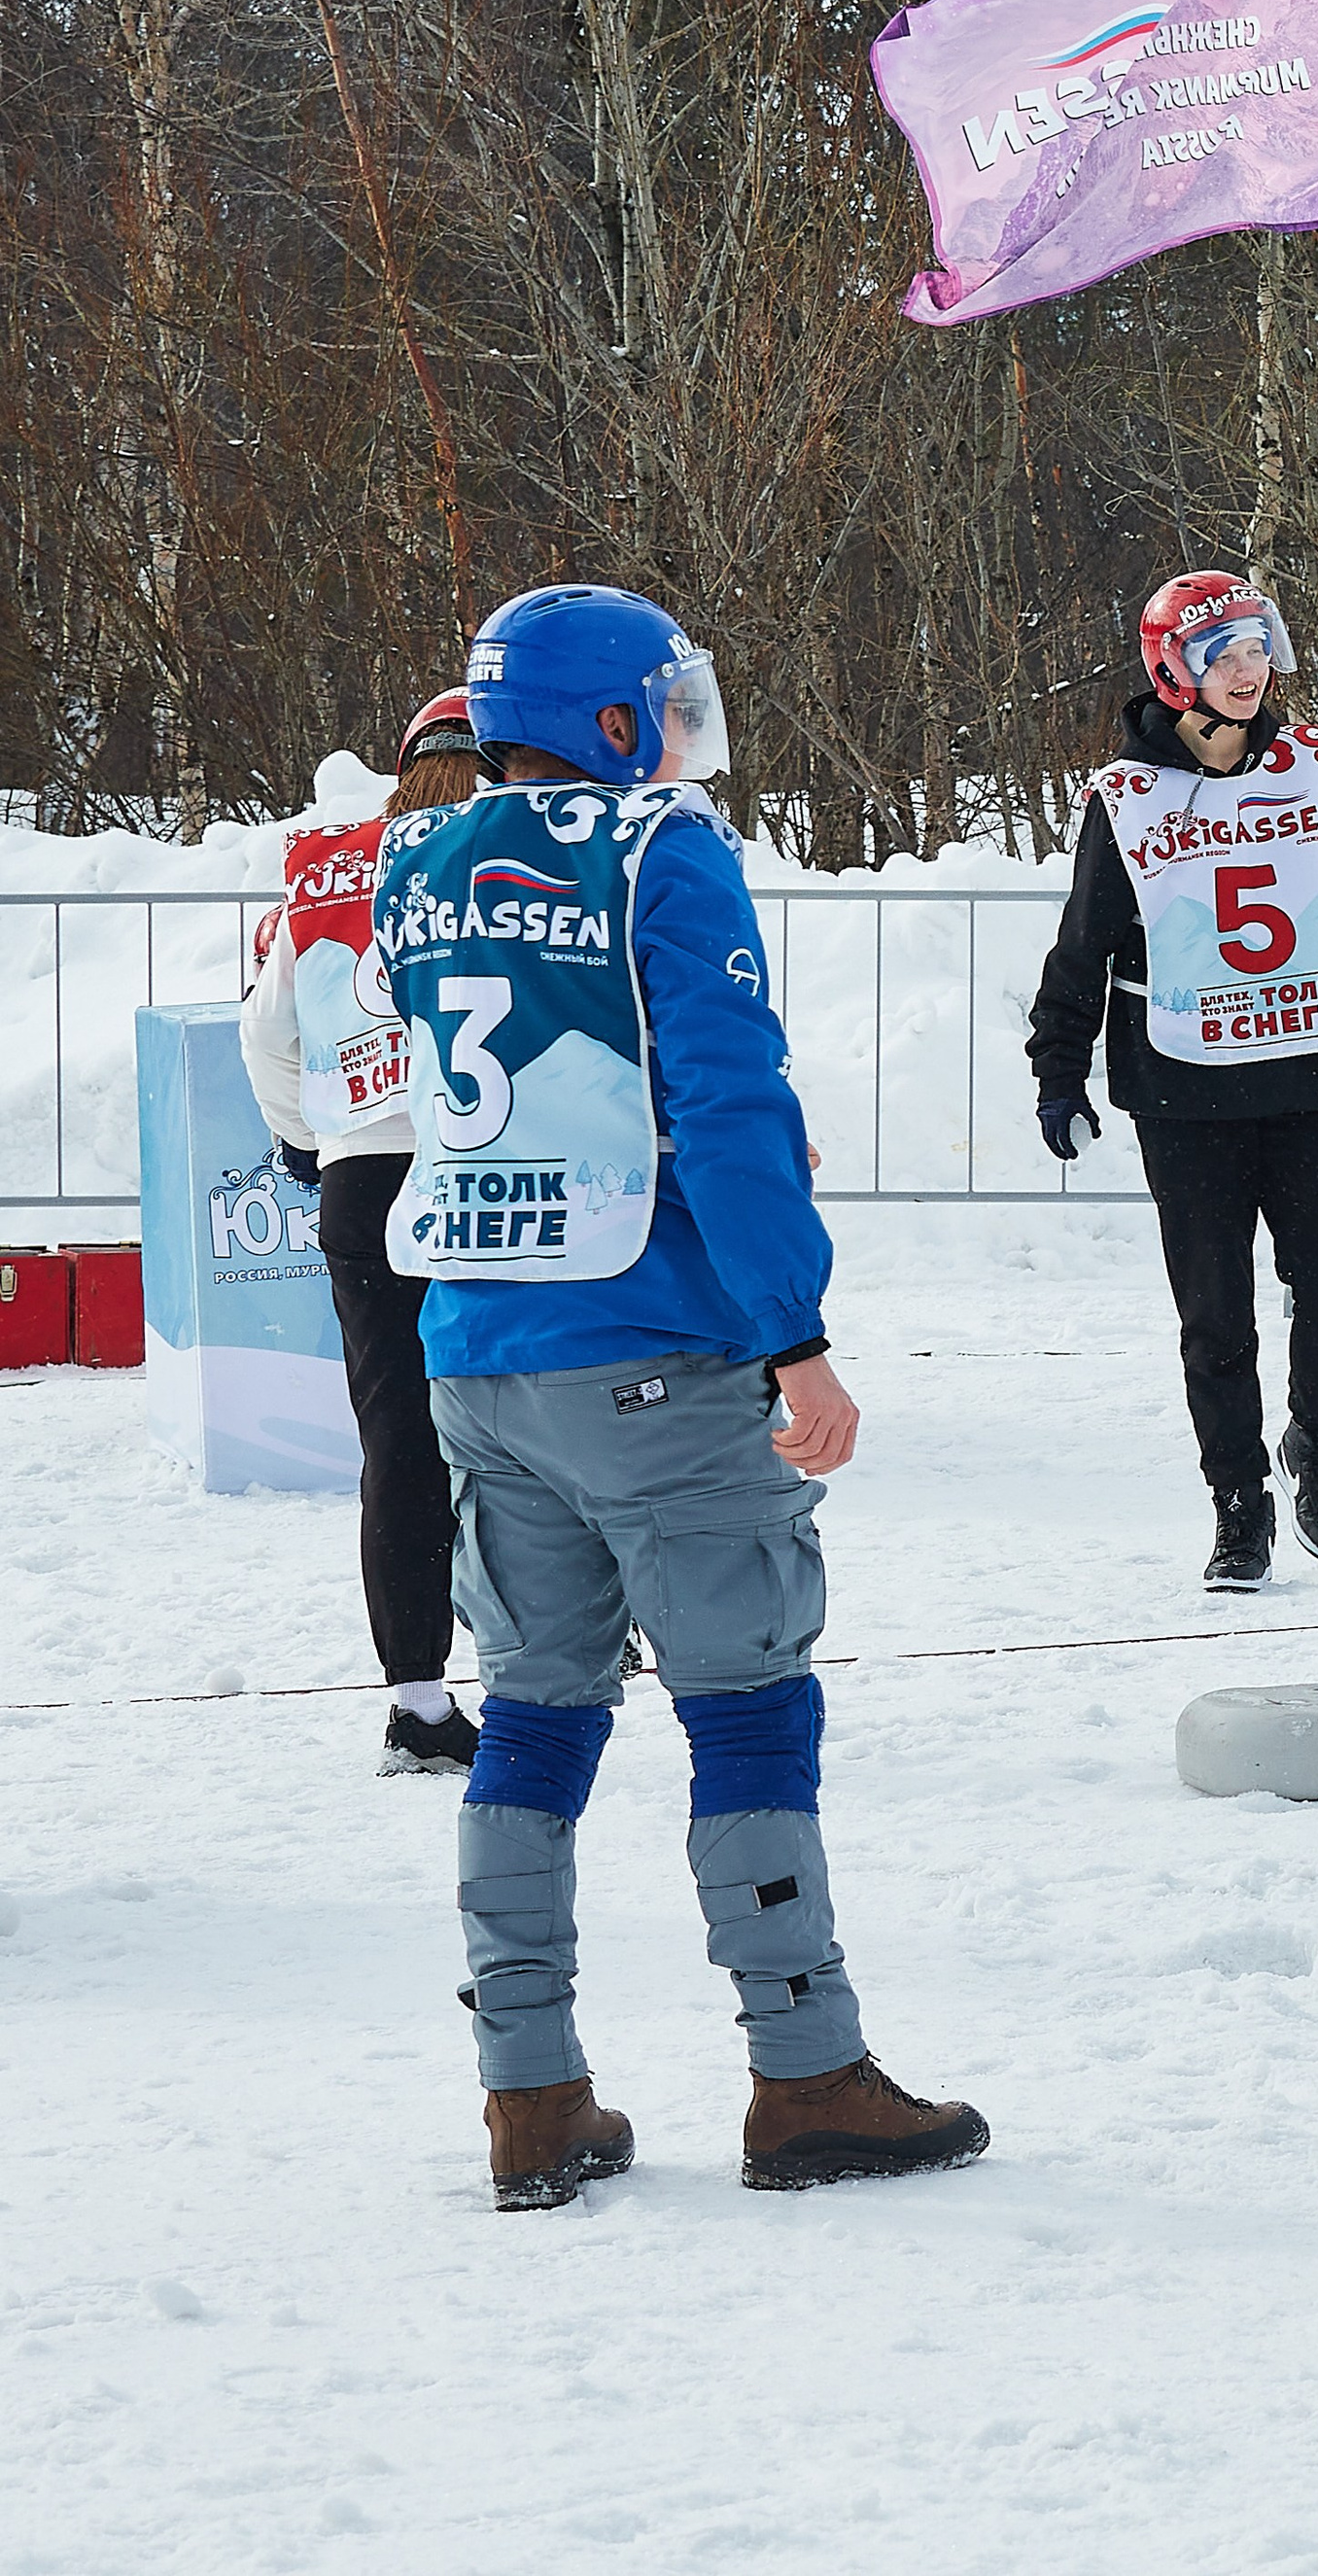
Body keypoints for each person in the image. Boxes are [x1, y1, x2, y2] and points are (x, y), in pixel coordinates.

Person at [371, 581, 988, 2211]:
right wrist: (796, 1332)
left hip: (479, 1359)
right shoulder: (663, 849)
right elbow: (729, 1105)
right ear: (620, 721)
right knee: (748, 1705)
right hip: (655, 1353)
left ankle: (528, 2090)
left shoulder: (412, 857)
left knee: (536, 1713)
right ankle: (807, 2073)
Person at [1026, 571, 1318, 1591]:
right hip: (1184, 1083)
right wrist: (1058, 1071)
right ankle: (1237, 1498)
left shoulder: (1313, 763)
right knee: (1216, 1313)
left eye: (1257, 647)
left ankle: (1317, 1442)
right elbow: (1083, 945)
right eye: (1222, 654)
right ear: (1176, 673)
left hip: (1304, 1066)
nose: (1247, 671)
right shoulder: (1126, 797)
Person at [241, 689, 484, 1777]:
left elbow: (269, 1033)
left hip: (365, 1178)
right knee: (535, 1413)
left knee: (397, 1438)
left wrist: (310, 1143)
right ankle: (568, 1641)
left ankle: (418, 1700)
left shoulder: (325, 863)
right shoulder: (520, 841)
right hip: (496, 1163)